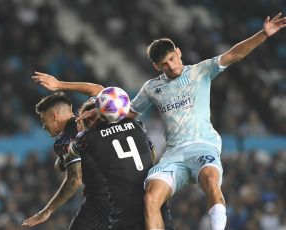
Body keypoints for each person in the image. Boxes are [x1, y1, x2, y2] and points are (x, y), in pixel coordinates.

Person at [78, 13, 286, 230]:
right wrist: (99, 112)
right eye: (164, 64)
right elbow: (128, 111)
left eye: (172, 59)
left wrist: (263, 34)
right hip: (174, 154)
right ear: (157, 67)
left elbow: (234, 54)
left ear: (178, 53)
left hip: (202, 145)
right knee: (150, 199)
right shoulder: (152, 87)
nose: (171, 66)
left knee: (211, 183)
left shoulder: (200, 70)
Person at [22, 73, 111, 230]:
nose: (44, 126)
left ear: (54, 116)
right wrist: (59, 85)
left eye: (44, 121)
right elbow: (98, 89)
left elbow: (75, 179)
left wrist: (47, 211)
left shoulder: (63, 140)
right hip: (127, 188)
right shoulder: (85, 114)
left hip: (101, 200)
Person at [70, 100, 174, 230]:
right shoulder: (137, 124)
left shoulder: (87, 137)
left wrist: (80, 135)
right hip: (154, 197)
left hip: (125, 209)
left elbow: (72, 153)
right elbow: (152, 157)